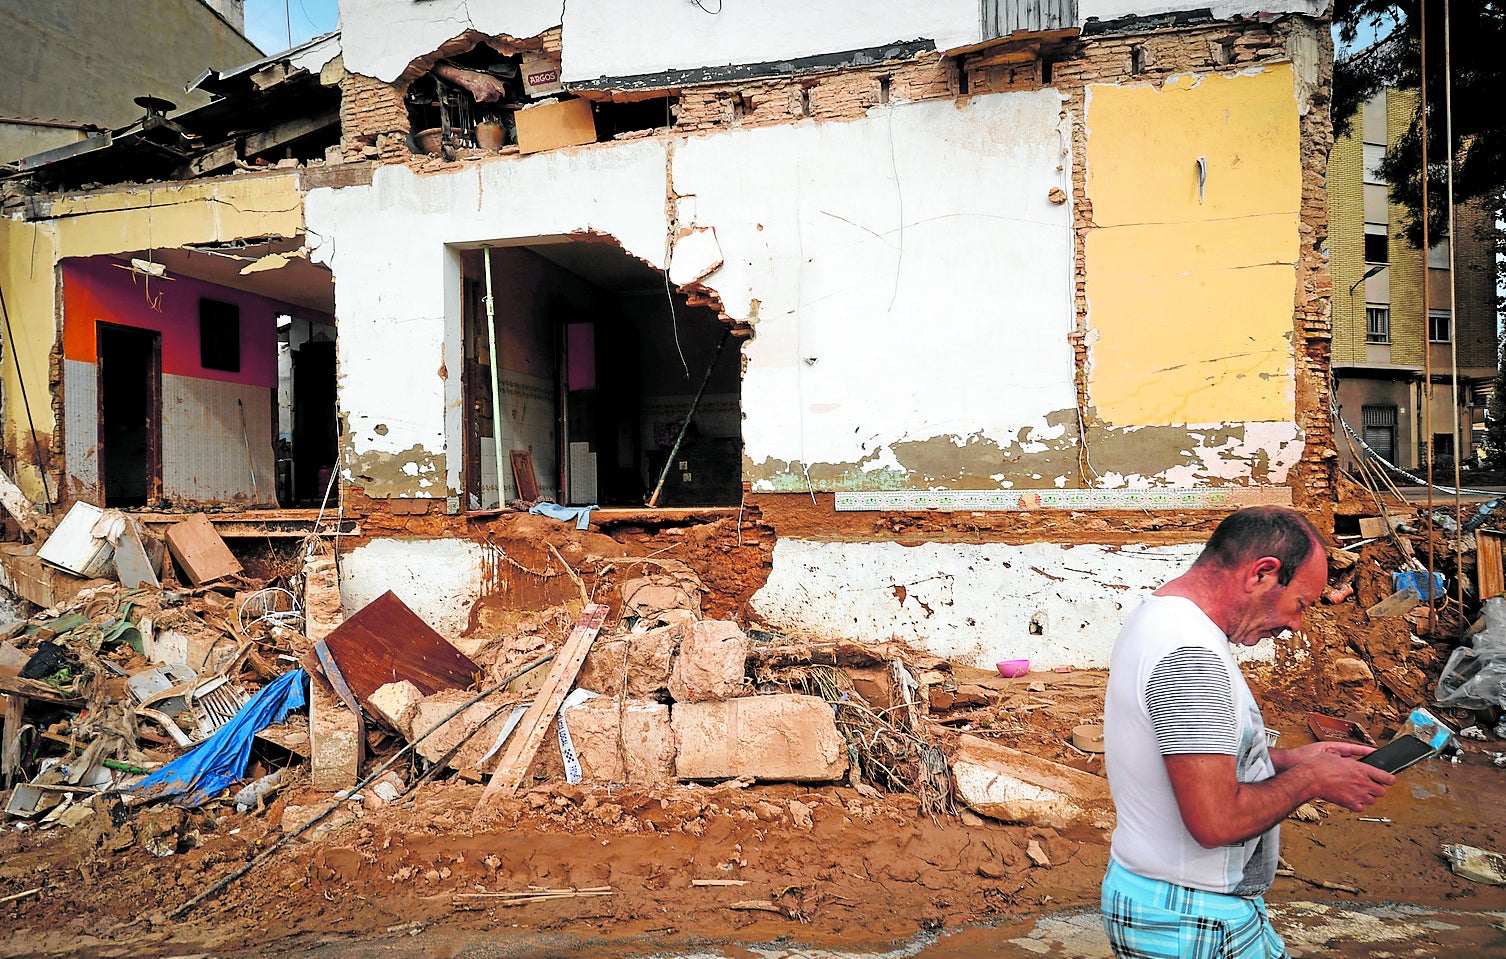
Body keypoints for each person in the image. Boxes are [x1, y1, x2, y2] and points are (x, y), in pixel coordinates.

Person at [1101, 506, 1395, 958]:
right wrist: (1312, 780)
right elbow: (1216, 821)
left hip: (1177, 906)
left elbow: (1187, 763)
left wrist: (1289, 760)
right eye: (1299, 604)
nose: (1296, 625)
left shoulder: (1162, 618)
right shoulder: (1190, 658)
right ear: (1262, 573)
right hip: (1190, 916)